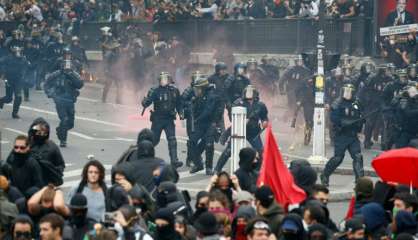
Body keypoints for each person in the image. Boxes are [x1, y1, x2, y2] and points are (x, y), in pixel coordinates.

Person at [215, 85, 268, 173]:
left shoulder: (260, 105)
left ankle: (257, 170)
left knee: (260, 151)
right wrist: (243, 119)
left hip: (254, 132)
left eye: (251, 93)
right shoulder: (238, 103)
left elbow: (264, 116)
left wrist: (264, 121)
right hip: (239, 130)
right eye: (248, 93)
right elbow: (233, 114)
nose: (249, 95)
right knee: (229, 151)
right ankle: (217, 169)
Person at [320, 84, 365, 186]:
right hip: (341, 135)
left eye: (350, 91)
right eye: (346, 91)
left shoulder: (356, 103)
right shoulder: (338, 103)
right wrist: (344, 122)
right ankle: (325, 175)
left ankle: (360, 181)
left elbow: (361, 114)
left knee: (357, 156)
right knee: (338, 158)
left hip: (353, 135)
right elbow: (333, 118)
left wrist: (360, 121)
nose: (347, 93)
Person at [142, 72, 183, 169]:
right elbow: (147, 103)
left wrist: (181, 113)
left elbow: (179, 103)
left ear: (169, 80)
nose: (163, 81)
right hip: (158, 119)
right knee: (154, 140)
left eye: (165, 79)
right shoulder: (155, 91)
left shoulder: (175, 90)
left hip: (169, 119)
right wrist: (145, 100)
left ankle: (174, 160)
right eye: (162, 79)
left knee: (172, 139)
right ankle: (145, 158)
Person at [44, 48, 84, 147]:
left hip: (70, 101)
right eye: (64, 64)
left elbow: (80, 84)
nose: (66, 66)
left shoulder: (73, 74)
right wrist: (51, 94)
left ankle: (60, 130)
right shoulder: (56, 74)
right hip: (60, 100)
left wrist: (71, 75)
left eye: (68, 64)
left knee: (70, 123)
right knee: (64, 120)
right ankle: (63, 140)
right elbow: (46, 84)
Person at [188, 74, 221, 175]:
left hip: (210, 123)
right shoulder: (197, 97)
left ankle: (209, 167)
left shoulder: (212, 96)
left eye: (198, 89)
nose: (196, 91)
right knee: (191, 142)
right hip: (200, 123)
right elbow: (193, 110)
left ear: (203, 88)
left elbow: (208, 111)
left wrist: (197, 119)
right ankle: (198, 164)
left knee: (209, 144)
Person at [28, 118, 65, 186]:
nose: (41, 135)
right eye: (38, 132)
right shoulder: (24, 146)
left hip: (46, 185)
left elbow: (61, 165)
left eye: (44, 133)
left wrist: (51, 169)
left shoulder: (52, 147)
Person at [0, 46, 30, 119]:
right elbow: (1, 64)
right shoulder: (7, 58)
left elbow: (28, 67)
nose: (18, 53)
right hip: (9, 79)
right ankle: (1, 101)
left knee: (18, 96)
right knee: (8, 98)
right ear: (13, 52)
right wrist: (3, 73)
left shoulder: (23, 59)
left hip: (19, 80)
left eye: (19, 51)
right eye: (16, 52)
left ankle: (15, 113)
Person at [100, 27, 122, 103]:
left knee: (119, 85)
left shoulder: (118, 51)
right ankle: (103, 98)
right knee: (108, 85)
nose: (118, 49)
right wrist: (106, 69)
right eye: (117, 48)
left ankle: (118, 100)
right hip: (111, 70)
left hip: (117, 70)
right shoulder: (109, 53)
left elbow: (120, 61)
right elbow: (106, 61)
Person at [393, 84, 418, 148]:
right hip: (403, 130)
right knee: (400, 149)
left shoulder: (414, 101)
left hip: (413, 130)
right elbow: (408, 113)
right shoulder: (404, 101)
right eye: (413, 92)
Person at [295, 75, 315, 145]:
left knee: (313, 121)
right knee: (308, 120)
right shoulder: (304, 82)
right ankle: (307, 135)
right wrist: (298, 100)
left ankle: (309, 131)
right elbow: (297, 90)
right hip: (307, 103)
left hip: (317, 103)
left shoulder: (319, 81)